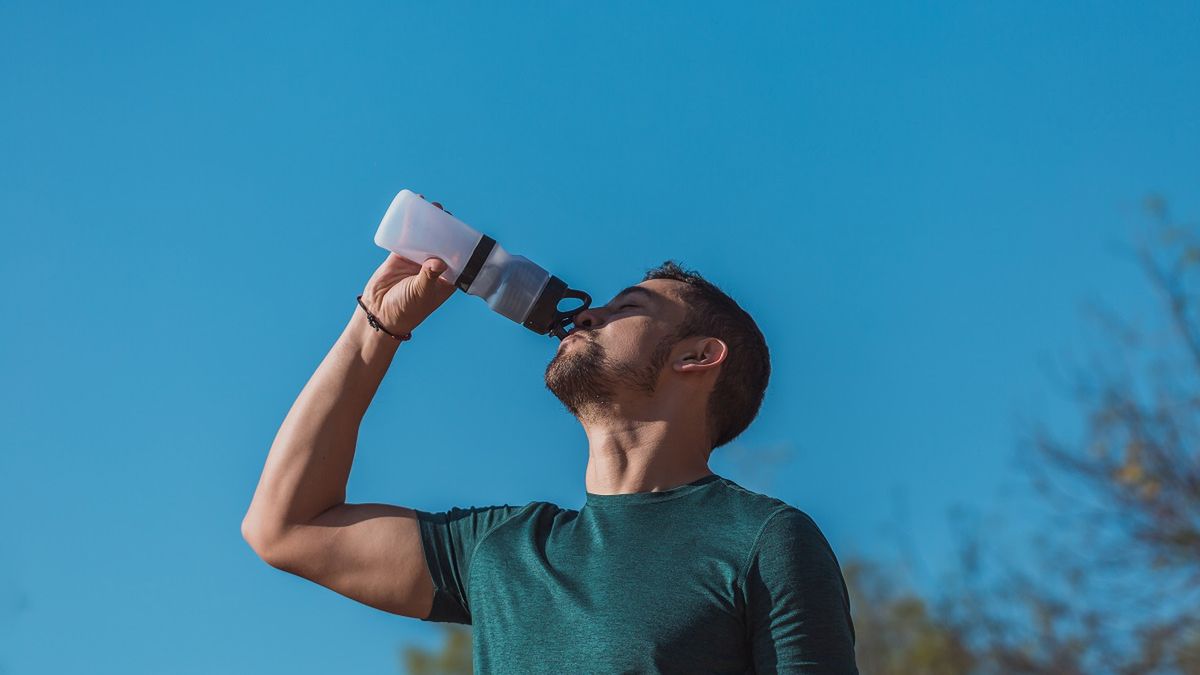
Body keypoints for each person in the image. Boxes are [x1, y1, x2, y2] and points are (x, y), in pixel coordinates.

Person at [241, 197, 859, 674]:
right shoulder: (503, 550)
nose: (588, 313)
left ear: (697, 356)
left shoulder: (762, 541)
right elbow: (285, 527)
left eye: (627, 308)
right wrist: (374, 325)